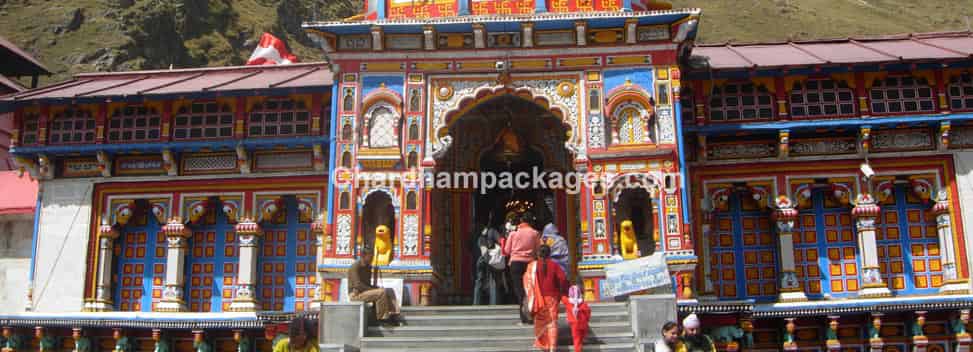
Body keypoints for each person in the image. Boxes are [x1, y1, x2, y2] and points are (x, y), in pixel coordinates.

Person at [525, 245, 568, 352]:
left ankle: (543, 345)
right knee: (552, 322)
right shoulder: (554, 265)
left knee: (540, 322)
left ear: (538, 254)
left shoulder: (532, 266)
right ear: (550, 254)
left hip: (537, 299)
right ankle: (552, 347)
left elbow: (526, 280)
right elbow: (562, 279)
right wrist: (561, 292)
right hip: (552, 298)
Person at [347, 249, 402, 324]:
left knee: (389, 290)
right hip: (356, 294)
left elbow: (367, 284)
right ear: (363, 256)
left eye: (372, 256)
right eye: (370, 257)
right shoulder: (355, 267)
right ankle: (383, 318)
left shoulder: (368, 267)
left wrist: (376, 287)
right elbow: (358, 285)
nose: (371, 258)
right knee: (381, 292)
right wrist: (373, 289)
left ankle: (394, 314)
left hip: (364, 291)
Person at [503, 213, 540, 323]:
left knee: (519, 291)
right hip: (530, 263)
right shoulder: (535, 233)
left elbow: (506, 251)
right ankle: (531, 314)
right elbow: (538, 250)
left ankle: (524, 317)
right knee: (530, 289)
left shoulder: (513, 234)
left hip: (515, 264)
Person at [474, 226, 505, 305]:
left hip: (481, 260)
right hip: (491, 259)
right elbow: (502, 241)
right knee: (493, 281)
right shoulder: (493, 231)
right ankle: (493, 303)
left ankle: (476, 303)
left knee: (479, 281)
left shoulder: (477, 235)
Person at [562, 285, 591, 352]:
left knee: (576, 340)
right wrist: (587, 320)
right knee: (580, 338)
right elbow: (588, 312)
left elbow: (562, 297)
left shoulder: (568, 302)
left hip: (574, 324)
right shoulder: (583, 303)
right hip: (583, 324)